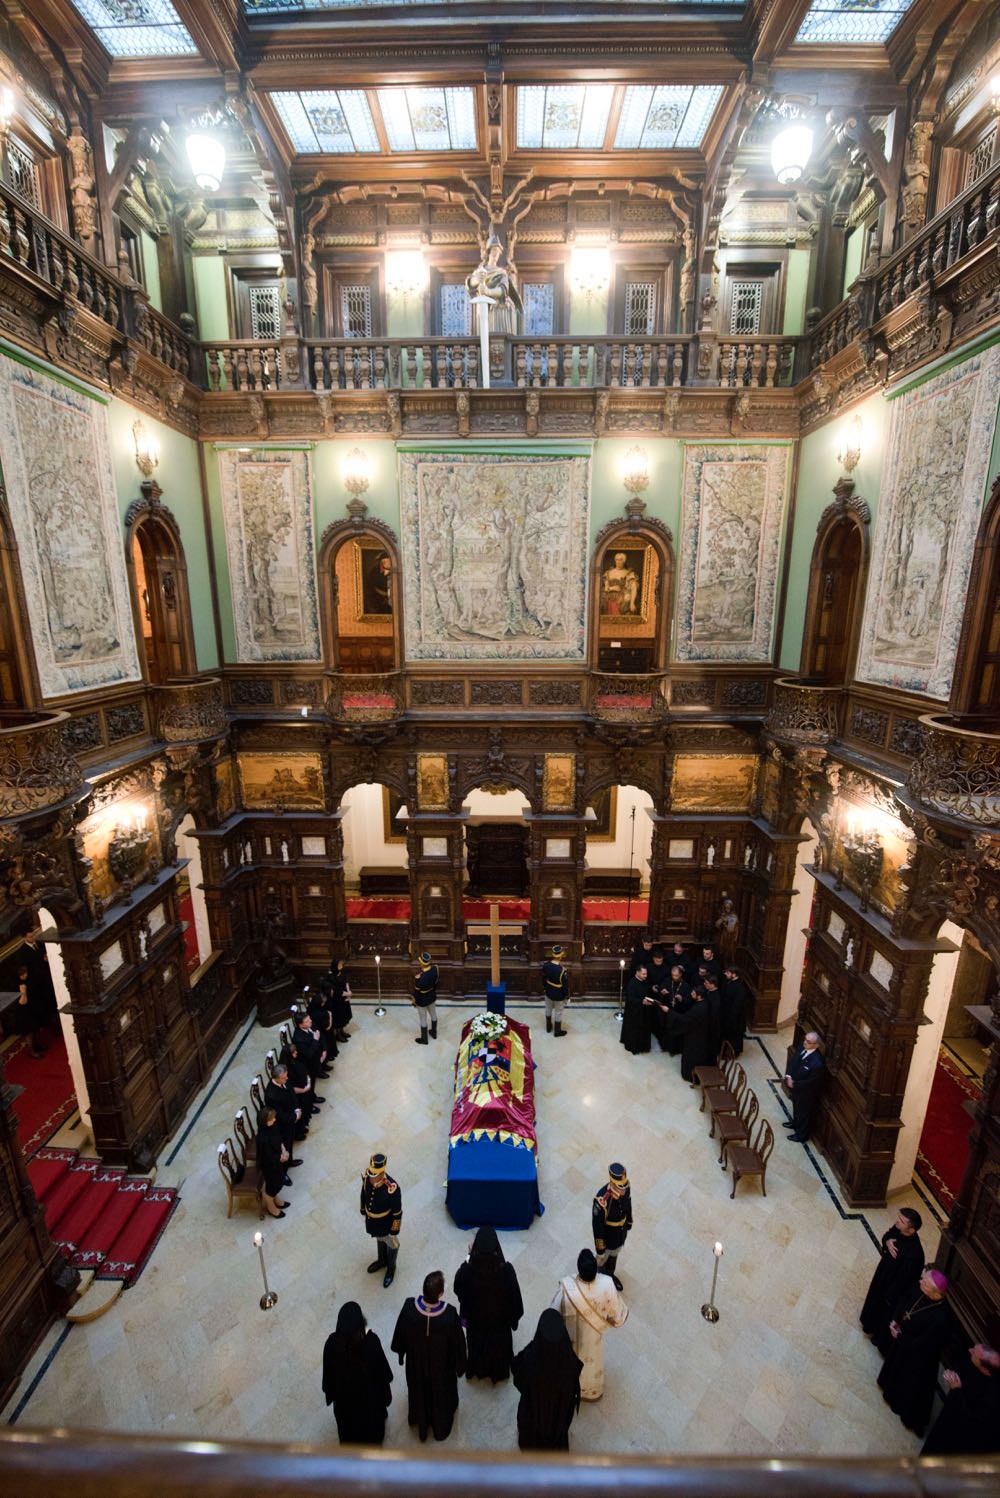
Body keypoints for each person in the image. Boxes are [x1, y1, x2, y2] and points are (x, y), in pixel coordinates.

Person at [391, 1269, 467, 1443]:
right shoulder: (449, 1315)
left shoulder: (409, 1307)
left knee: (418, 1392)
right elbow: (459, 1345)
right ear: (440, 1293)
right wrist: (460, 1365)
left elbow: (400, 1335)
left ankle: (419, 1418)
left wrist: (402, 1353)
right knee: (440, 1396)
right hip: (441, 1371)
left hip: (416, 1366)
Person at [877, 1267, 953, 1436]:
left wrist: (900, 1336)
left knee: (907, 1382)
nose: (920, 1283)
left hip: (917, 1357)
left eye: (924, 1283)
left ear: (936, 1295)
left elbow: (924, 1344)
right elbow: (905, 1300)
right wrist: (897, 1319)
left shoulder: (940, 1320)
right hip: (903, 1340)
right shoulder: (920, 1290)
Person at [552, 1247, 628, 1401]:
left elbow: (552, 1314)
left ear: (578, 1269)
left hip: (571, 1340)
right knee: (592, 1365)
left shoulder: (566, 1287)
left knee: (571, 1364)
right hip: (594, 1341)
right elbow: (619, 1317)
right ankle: (591, 1392)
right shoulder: (607, 1284)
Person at [453, 1225, 524, 1383]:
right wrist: (512, 1320)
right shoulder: (506, 1272)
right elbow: (516, 1304)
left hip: (476, 1325)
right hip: (499, 1328)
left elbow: (457, 1288)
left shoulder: (467, 1272)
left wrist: (468, 1257)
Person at [322, 1301, 394, 1445]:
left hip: (345, 1407)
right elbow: (383, 1374)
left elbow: (328, 1379)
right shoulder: (371, 1343)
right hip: (370, 1406)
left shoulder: (331, 1344)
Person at [512, 1308, 583, 1451]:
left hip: (533, 1415)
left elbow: (518, 1381)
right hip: (558, 1416)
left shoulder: (529, 1357)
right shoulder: (569, 1361)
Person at [860, 1208, 925, 1353]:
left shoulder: (915, 1254)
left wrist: (890, 1295)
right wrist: (887, 1241)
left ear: (911, 1230)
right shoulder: (898, 1229)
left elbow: (906, 1280)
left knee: (884, 1313)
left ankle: (877, 1336)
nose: (897, 1221)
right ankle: (868, 1324)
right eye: (898, 1218)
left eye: (901, 1221)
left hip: (893, 1290)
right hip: (882, 1276)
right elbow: (887, 1236)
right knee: (874, 1301)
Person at [921, 1340, 1000, 1455]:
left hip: (959, 1440)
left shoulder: (993, 1397)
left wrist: (957, 1390)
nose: (970, 1350)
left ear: (985, 1369)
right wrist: (952, 1374)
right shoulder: (976, 1361)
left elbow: (973, 1424)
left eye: (974, 1353)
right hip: (948, 1419)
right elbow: (961, 1366)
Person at [361, 1152, 402, 1288]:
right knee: (379, 1239)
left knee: (392, 1245)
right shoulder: (368, 1178)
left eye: (374, 1175)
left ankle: (391, 1268)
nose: (371, 1178)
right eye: (371, 1174)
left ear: (381, 1173)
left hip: (386, 1224)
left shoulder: (392, 1188)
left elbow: (397, 1213)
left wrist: (394, 1230)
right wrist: (363, 1210)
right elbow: (364, 1194)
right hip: (374, 1223)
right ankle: (381, 1260)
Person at [592, 1162, 631, 1290]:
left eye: (624, 1185)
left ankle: (610, 1276)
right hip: (608, 1239)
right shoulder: (602, 1201)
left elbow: (627, 1205)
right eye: (620, 1186)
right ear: (613, 1183)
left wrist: (629, 1222)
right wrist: (600, 1250)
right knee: (601, 1263)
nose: (624, 1189)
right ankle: (598, 1283)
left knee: (614, 1258)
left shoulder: (626, 1189)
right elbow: (598, 1227)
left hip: (619, 1235)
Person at [783, 1031, 826, 1142]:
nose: (805, 1042)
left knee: (803, 1114)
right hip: (795, 1087)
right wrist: (788, 1076)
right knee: (796, 1107)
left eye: (808, 1041)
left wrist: (794, 1084)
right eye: (805, 1039)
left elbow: (811, 1082)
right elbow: (793, 1062)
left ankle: (801, 1136)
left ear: (816, 1045)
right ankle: (795, 1123)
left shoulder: (817, 1063)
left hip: (806, 1093)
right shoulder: (802, 1048)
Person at [665, 986, 712, 1083]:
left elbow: (684, 1019)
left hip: (694, 1036)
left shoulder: (698, 1009)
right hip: (700, 1034)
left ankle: (689, 1076)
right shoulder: (704, 1003)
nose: (691, 994)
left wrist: (669, 1011)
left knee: (691, 1056)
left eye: (693, 993)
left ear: (699, 996)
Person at [255, 1106, 290, 1219]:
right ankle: (270, 1206)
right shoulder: (262, 1139)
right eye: (271, 1119)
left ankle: (276, 1198)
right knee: (273, 1185)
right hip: (269, 1165)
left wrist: (284, 1150)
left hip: (277, 1160)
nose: (274, 1120)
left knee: (279, 1181)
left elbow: (279, 1138)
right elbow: (267, 1156)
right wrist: (281, 1157)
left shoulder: (272, 1126)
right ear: (264, 1122)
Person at [264, 1063, 303, 1162]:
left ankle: (290, 1159)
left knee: (290, 1140)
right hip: (283, 1125)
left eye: (286, 1076)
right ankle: (287, 1166)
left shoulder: (283, 1080)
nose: (287, 1079)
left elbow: (291, 1093)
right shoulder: (271, 1095)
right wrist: (295, 1117)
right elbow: (280, 1116)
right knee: (286, 1144)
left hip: (291, 1115)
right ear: (276, 1078)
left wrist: (297, 1108)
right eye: (284, 1078)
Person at [8, 965, 48, 1058]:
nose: (25, 975)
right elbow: (22, 1002)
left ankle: (38, 1046)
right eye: (22, 974)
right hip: (23, 1013)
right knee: (29, 1032)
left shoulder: (27, 980)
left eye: (26, 973)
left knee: (36, 1028)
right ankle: (31, 1051)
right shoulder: (16, 985)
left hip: (31, 1009)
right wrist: (24, 991)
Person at [619, 963, 653, 1055]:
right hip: (634, 1012)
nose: (646, 976)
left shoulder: (645, 981)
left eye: (646, 974)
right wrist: (642, 1001)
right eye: (643, 974)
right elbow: (631, 999)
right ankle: (635, 1047)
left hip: (644, 1011)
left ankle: (643, 1046)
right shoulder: (632, 983)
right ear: (637, 972)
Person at [720, 966, 751, 1055]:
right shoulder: (729, 982)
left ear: (734, 974)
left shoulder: (740, 988)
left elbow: (736, 1007)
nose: (725, 974)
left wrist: (729, 1019)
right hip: (728, 1016)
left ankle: (732, 1053)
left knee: (733, 1037)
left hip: (734, 1019)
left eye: (728, 973)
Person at [541, 946, 569, 1037]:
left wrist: (545, 987)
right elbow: (565, 986)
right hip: (558, 995)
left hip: (548, 992)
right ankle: (557, 1031)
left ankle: (548, 1027)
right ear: (561, 956)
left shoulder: (546, 965)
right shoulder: (562, 971)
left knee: (548, 1009)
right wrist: (567, 996)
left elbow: (544, 979)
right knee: (558, 1012)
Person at [413, 951, 439, 1045]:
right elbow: (436, 983)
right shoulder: (435, 969)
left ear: (422, 964)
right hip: (432, 996)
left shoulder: (420, 978)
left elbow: (417, 992)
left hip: (422, 1000)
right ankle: (434, 1033)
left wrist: (414, 1001)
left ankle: (424, 1039)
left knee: (423, 1019)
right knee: (433, 1014)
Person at [328, 957, 353, 1042]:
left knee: (344, 1015)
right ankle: (338, 1034)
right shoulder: (331, 977)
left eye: (341, 964)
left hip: (344, 999)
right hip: (337, 1000)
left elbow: (346, 983)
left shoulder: (341, 973)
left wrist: (349, 991)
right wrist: (347, 994)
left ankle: (342, 1031)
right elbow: (337, 991)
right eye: (339, 964)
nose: (341, 965)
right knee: (339, 1017)